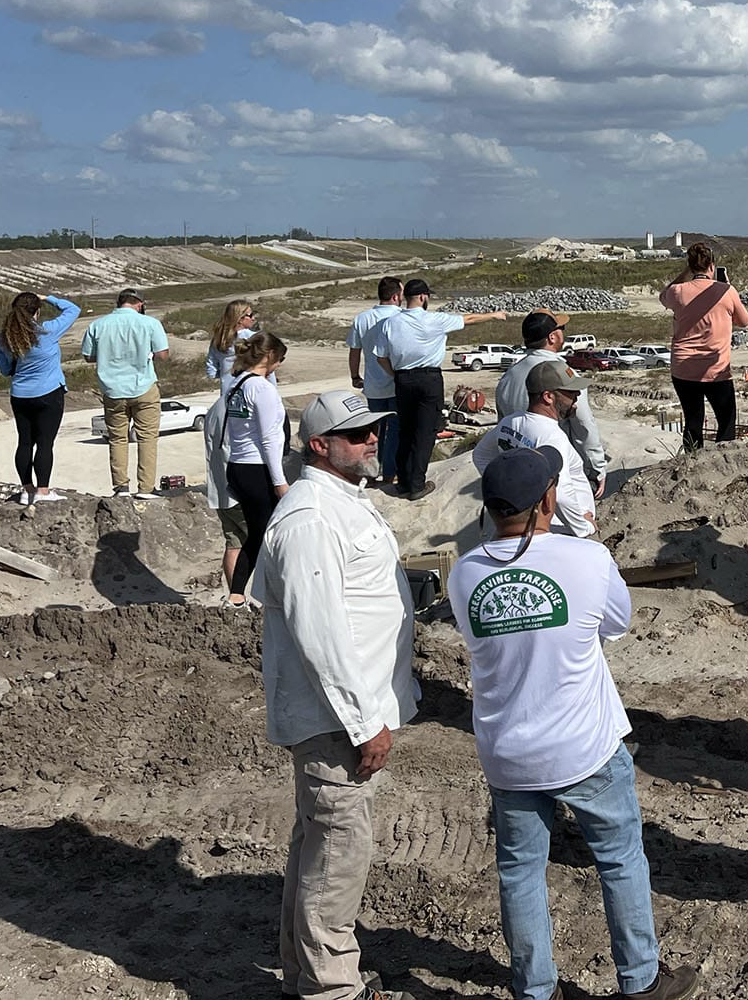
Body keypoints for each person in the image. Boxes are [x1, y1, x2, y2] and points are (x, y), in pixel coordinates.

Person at [449, 446, 700, 1000]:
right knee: (620, 861)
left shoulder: (463, 575)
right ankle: (640, 981)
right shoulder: (586, 559)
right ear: (547, 500)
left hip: (508, 753)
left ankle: (535, 990)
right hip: (584, 747)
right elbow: (616, 623)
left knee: (519, 873)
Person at [253, 389, 412, 1000]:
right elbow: (320, 631)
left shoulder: (342, 502)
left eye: (374, 429)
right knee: (338, 855)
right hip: (335, 719)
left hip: (341, 712)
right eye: (358, 433)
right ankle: (331, 989)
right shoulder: (311, 519)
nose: (372, 439)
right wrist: (363, 719)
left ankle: (306, 978)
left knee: (318, 845)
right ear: (319, 445)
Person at [372, 279, 505, 501]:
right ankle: (416, 485)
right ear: (423, 297)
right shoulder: (435, 319)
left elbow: (380, 357)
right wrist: (494, 315)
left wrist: (396, 375)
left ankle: (403, 482)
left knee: (405, 431)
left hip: (403, 379)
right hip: (429, 379)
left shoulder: (390, 322)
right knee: (424, 433)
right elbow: (469, 319)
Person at [471, 361, 598, 537]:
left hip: (532, 523)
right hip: (558, 529)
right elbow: (561, 493)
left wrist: (508, 489)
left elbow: (480, 455)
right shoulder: (552, 436)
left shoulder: (510, 422)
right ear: (548, 396)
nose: (577, 395)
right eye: (570, 392)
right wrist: (583, 527)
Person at [496, 311, 610, 492]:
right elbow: (583, 426)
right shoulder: (564, 376)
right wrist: (596, 468)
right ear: (552, 337)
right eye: (561, 329)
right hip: (556, 469)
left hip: (517, 470)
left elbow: (501, 426)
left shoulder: (508, 377)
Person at [79, 288, 171, 499]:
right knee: (147, 438)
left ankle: (121, 487)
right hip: (144, 386)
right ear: (139, 304)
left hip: (112, 389)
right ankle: (146, 488)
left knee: (118, 439)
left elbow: (88, 356)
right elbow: (163, 355)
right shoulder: (150, 324)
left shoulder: (98, 324)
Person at [220, 331, 291, 607]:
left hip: (237, 466)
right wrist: (279, 481)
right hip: (257, 469)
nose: (280, 365)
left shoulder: (235, 384)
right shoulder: (261, 389)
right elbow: (270, 437)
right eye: (281, 359)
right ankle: (274, 595)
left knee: (256, 534)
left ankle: (238, 594)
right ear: (270, 356)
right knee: (271, 535)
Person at [0, 289, 81, 507]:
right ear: (37, 312)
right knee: (44, 443)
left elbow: (5, 370)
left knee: (24, 442)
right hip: (49, 393)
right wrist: (47, 298)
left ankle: (27, 490)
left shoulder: (4, 339)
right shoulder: (47, 332)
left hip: (20, 395)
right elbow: (73, 309)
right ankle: (43, 491)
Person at [658, 244, 748, 450]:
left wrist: (685, 274)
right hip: (715, 369)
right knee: (726, 419)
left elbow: (663, 295)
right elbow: (744, 321)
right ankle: (722, 459)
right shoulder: (726, 291)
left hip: (683, 368)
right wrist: (728, 291)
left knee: (693, 420)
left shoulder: (678, 291)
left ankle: (691, 461)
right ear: (712, 266)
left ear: (690, 266)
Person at [346, 277, 404, 487]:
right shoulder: (401, 317)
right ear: (396, 296)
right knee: (395, 432)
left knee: (372, 433)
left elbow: (355, 352)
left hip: (373, 386)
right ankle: (390, 473)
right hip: (397, 384)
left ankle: (370, 474)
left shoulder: (362, 318)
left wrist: (355, 376)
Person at [206, 299, 257, 382]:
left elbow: (211, 369)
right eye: (250, 315)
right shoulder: (254, 337)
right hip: (250, 386)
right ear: (240, 319)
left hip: (228, 389)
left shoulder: (219, 339)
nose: (253, 318)